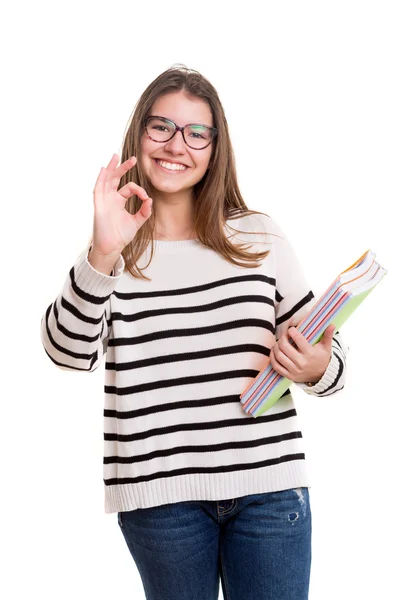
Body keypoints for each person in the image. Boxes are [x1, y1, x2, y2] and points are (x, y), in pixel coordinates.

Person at [40, 64, 349, 600]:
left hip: (270, 494)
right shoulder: (112, 252)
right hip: (160, 502)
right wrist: (103, 251)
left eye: (196, 132)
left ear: (214, 147)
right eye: (161, 127)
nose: (176, 145)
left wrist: (317, 366)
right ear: (139, 134)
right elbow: (66, 352)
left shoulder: (258, 237)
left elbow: (332, 360)